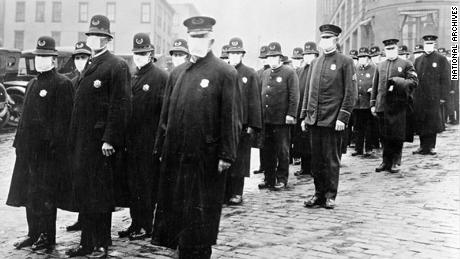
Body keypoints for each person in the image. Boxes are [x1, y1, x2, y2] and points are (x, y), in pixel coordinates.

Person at [151, 16, 241, 259]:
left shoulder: (224, 72)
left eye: (201, 37)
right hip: (176, 156)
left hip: (205, 159)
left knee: (200, 220)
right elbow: (165, 115)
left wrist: (227, 153)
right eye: (192, 37)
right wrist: (160, 147)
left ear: (211, 39)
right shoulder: (177, 73)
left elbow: (232, 116)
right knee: (177, 214)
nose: (196, 41)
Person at [66, 15, 131, 258]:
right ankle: (86, 243)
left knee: (101, 195)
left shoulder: (116, 66)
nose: (93, 39)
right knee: (85, 192)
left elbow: (120, 106)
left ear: (106, 38)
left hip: (101, 144)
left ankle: (102, 243)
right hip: (83, 143)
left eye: (97, 36)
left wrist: (110, 139)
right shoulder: (91, 65)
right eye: (90, 35)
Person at [6, 36, 74, 251]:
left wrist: (54, 149)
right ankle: (32, 232)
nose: (40, 61)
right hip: (28, 152)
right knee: (29, 194)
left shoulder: (62, 84)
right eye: (38, 57)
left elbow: (64, 122)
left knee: (46, 195)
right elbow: (24, 118)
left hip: (48, 154)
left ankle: (46, 235)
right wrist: (19, 145)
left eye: (45, 57)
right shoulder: (33, 83)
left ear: (54, 60)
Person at [117, 33, 168, 241]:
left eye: (143, 53)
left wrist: (160, 142)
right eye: (136, 53)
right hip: (131, 142)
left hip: (149, 142)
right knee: (133, 185)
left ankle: (146, 225)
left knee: (147, 186)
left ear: (151, 54)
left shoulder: (160, 77)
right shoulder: (132, 76)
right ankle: (135, 223)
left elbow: (165, 114)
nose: (139, 57)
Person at [300, 24, 357, 209]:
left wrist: (343, 117)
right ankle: (318, 194)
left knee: (331, 160)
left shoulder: (345, 62)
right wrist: (304, 116)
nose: (323, 42)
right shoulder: (315, 63)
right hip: (315, 120)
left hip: (333, 121)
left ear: (335, 40)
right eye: (322, 38)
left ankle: (330, 195)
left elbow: (351, 93)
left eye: (327, 38)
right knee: (316, 161)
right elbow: (309, 92)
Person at [371, 38, 418, 174]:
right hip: (382, 105)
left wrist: (399, 81)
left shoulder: (406, 64)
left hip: (398, 106)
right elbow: (375, 86)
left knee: (397, 135)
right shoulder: (380, 65)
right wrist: (373, 103)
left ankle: (396, 161)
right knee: (384, 135)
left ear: (397, 49)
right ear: (384, 51)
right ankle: (385, 161)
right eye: (388, 49)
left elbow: (414, 81)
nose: (390, 51)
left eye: (392, 48)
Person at [225, 37, 262, 205]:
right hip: (225, 125)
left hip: (242, 125)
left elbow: (254, 100)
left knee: (240, 160)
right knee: (226, 158)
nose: (233, 56)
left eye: (237, 53)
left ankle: (237, 192)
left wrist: (253, 125)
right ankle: (225, 191)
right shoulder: (223, 72)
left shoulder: (249, 73)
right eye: (231, 53)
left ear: (242, 54)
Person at [258, 41, 299, 190]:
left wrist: (291, 114)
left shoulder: (289, 72)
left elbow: (294, 95)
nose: (272, 60)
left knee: (282, 150)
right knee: (267, 150)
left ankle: (282, 178)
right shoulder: (265, 73)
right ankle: (268, 178)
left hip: (282, 120)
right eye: (270, 57)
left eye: (275, 57)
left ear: (280, 58)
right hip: (267, 119)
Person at [65, 41, 92, 233]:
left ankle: (87, 218)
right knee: (77, 179)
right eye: (77, 58)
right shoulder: (71, 82)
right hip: (73, 135)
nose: (80, 61)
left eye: (83, 57)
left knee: (87, 180)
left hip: (88, 137)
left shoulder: (91, 80)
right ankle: (81, 217)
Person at [413, 35, 450, 155]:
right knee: (421, 121)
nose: (428, 46)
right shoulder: (418, 60)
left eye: (430, 44)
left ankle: (431, 146)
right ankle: (422, 146)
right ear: (424, 45)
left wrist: (443, 97)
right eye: (426, 44)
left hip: (434, 97)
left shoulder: (441, 59)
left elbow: (446, 79)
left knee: (432, 121)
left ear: (434, 45)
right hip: (420, 97)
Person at [293, 41, 318, 177]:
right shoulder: (300, 71)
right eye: (306, 55)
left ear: (315, 55)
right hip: (300, 110)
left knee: (312, 141)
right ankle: (305, 167)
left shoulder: (318, 69)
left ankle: (314, 168)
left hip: (313, 110)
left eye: (311, 54)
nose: (308, 57)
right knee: (301, 141)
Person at [352, 47, 376, 157]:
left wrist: (372, 90)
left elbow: (377, 83)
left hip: (368, 102)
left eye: (364, 57)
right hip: (357, 103)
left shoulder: (374, 68)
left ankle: (369, 148)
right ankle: (358, 148)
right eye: (360, 57)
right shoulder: (355, 68)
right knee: (357, 127)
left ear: (368, 58)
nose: (362, 59)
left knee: (369, 127)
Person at [253, 45, 270, 175]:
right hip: (261, 112)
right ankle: (262, 166)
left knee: (272, 144)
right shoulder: (258, 73)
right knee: (261, 142)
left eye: (266, 57)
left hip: (272, 113)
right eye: (262, 58)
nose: (264, 60)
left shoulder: (273, 72)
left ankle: (271, 168)